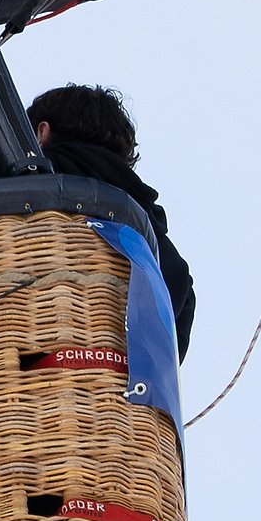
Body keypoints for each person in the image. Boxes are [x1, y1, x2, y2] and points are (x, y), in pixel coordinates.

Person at [27, 82, 196, 356]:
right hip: (105, 393)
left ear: (41, 133)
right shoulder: (159, 249)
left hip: (9, 369)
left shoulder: (23, 183)